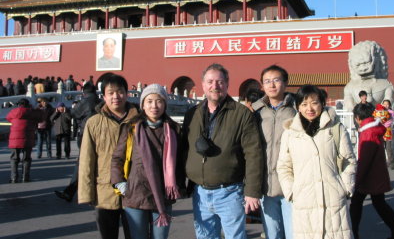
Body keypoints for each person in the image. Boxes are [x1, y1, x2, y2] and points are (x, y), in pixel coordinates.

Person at [182, 63, 263, 239]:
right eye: (210, 81)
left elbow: (254, 153)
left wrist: (252, 191)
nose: (215, 86)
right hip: (200, 193)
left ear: (227, 84)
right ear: (203, 85)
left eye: (220, 82)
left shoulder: (241, 114)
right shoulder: (192, 114)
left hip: (230, 192)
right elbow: (183, 149)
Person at [277, 84, 356, 239]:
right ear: (298, 107)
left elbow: (349, 160)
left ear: (322, 104)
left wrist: (345, 188)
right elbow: (284, 167)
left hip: (333, 198)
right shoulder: (290, 133)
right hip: (303, 200)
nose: (310, 108)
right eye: (304, 104)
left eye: (314, 103)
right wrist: (291, 192)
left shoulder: (335, 129)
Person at [111, 84, 184, 239]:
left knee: (160, 237)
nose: (154, 106)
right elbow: (118, 157)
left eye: (159, 101)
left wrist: (179, 185)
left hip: (163, 194)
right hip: (136, 192)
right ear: (142, 104)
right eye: (149, 101)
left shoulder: (173, 129)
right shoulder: (131, 128)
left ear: (165, 104)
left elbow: (180, 161)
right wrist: (120, 183)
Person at [78, 74, 139, 239]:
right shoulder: (94, 123)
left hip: (135, 191)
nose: (115, 97)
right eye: (110, 93)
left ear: (127, 94)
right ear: (103, 96)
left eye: (120, 92)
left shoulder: (140, 121)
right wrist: (86, 193)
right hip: (104, 192)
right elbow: (86, 160)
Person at [350, 103, 394, 239]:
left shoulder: (367, 133)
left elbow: (365, 159)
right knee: (378, 203)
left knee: (357, 203)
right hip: (376, 173)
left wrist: (357, 179)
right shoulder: (374, 128)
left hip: (369, 176)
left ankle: (353, 233)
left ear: (358, 117)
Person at [252, 65, 296, 239]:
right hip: (266, 185)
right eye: (267, 82)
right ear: (262, 86)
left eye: (276, 80)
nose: (272, 85)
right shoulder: (255, 112)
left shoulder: (297, 109)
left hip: (291, 185)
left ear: (285, 83)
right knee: (273, 234)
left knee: (294, 233)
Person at [55, 82, 101, 202]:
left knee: (82, 164)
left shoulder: (85, 102)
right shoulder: (101, 102)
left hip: (86, 136)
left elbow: (73, 114)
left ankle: (70, 193)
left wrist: (66, 110)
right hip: (101, 136)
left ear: (84, 92)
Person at [7, 98, 44, 182]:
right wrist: (35, 109)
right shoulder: (31, 112)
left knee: (14, 158)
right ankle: (25, 177)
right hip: (28, 138)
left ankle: (14, 177)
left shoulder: (13, 112)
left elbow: (8, 118)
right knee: (26, 158)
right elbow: (41, 118)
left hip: (14, 138)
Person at [382, 99, 394, 169]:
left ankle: (391, 162)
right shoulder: (380, 112)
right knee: (381, 147)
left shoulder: (391, 112)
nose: (386, 105)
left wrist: (384, 123)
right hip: (381, 130)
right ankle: (382, 162)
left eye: (387, 104)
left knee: (388, 147)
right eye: (384, 104)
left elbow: (390, 120)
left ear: (389, 105)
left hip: (387, 130)